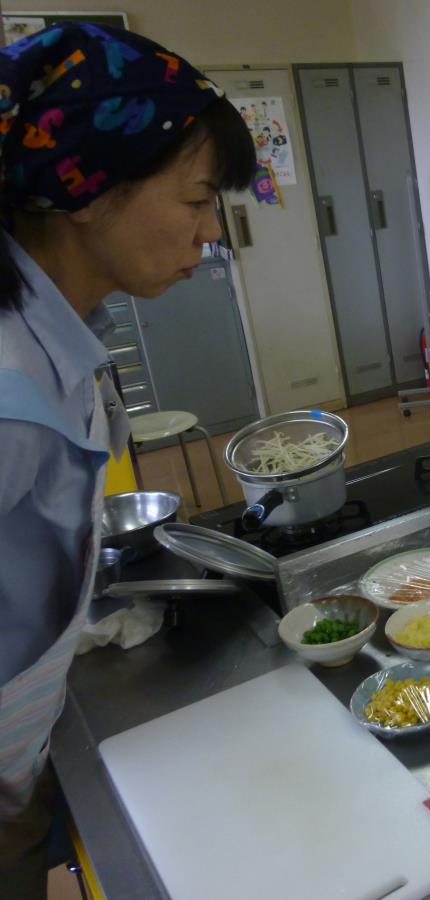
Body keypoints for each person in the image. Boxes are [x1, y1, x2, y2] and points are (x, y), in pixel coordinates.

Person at [0, 24, 255, 896]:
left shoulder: (67, 337)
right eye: (195, 201)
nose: (211, 232)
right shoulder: (7, 385)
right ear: (84, 189)